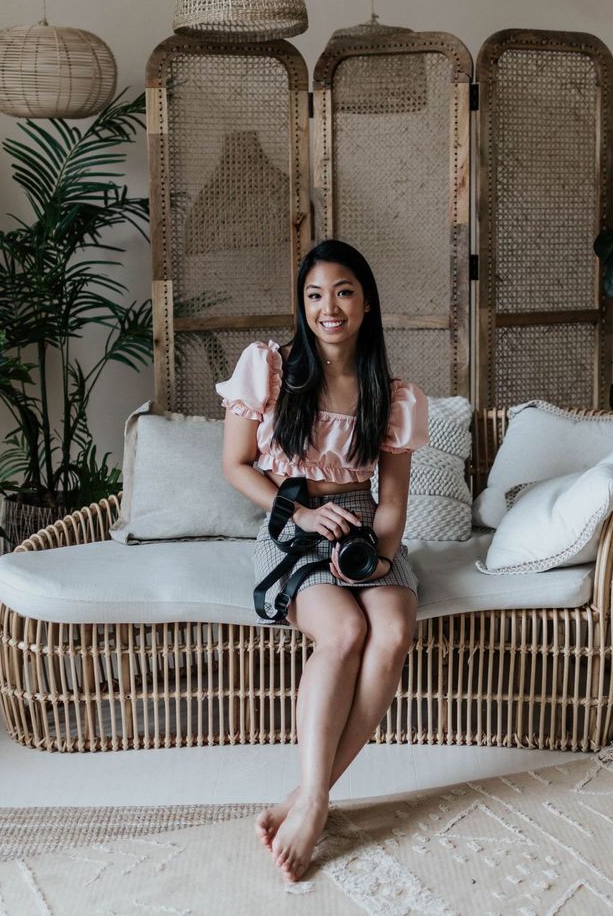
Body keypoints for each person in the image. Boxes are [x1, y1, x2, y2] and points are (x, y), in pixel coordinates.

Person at [216, 239, 429, 882]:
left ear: (366, 303)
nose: (327, 308)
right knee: (344, 630)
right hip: (294, 521)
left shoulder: (392, 394)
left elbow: (391, 504)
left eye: (342, 292)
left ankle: (308, 795)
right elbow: (236, 466)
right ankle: (315, 799)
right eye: (314, 295)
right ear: (302, 304)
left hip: (364, 529)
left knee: (392, 629)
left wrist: (375, 561)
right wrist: (303, 516)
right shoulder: (270, 368)